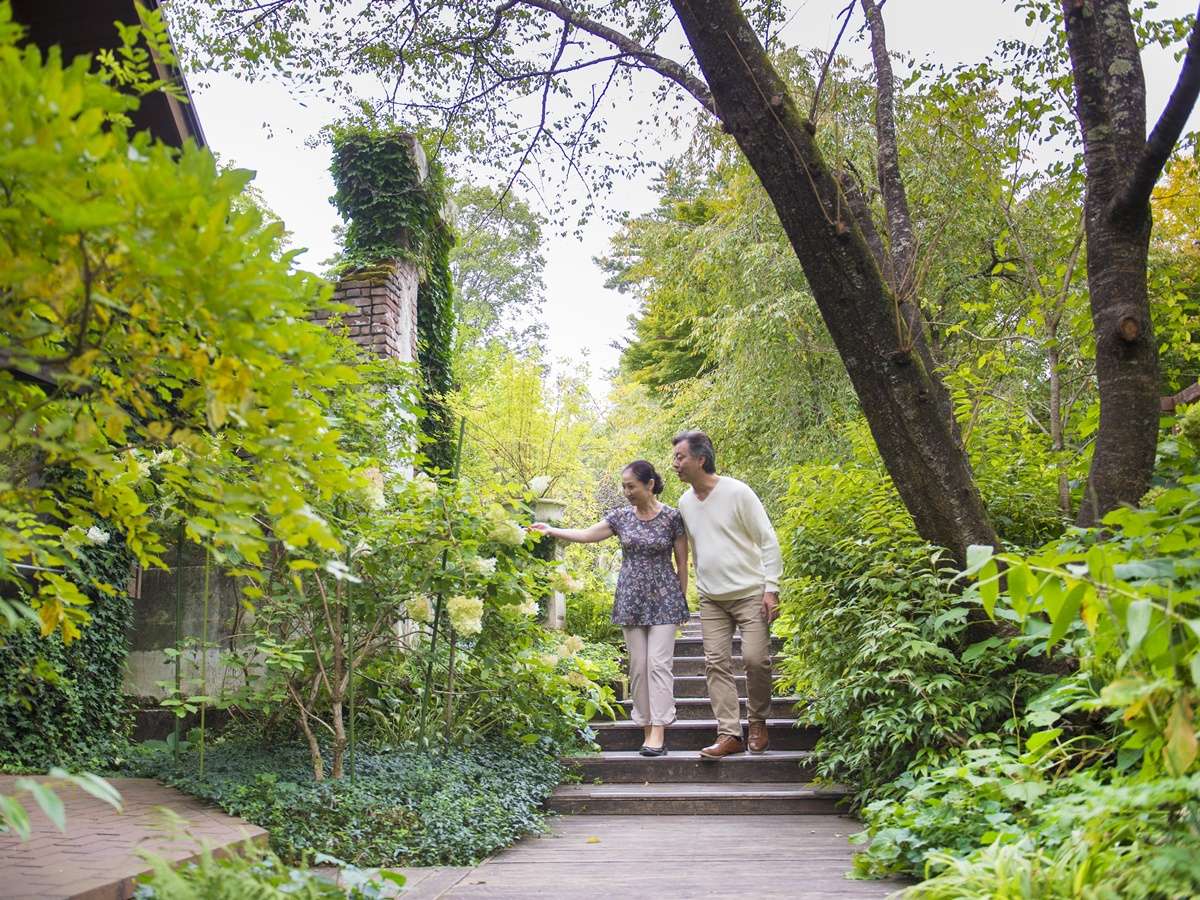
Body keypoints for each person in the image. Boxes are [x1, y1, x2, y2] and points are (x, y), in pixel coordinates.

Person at [530, 461, 689, 756]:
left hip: (665, 600)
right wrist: (552, 530)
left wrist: (682, 601)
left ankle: (659, 729)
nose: (626, 491)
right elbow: (588, 534)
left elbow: (682, 563)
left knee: (658, 664)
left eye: (631, 486)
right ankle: (644, 725)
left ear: (649, 484)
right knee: (639, 667)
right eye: (624, 486)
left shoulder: (672, 518)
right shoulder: (620, 518)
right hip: (631, 600)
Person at [671, 430, 782, 760]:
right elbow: (690, 548)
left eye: (680, 457)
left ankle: (758, 722)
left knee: (755, 659)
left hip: (750, 592)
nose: (675, 464)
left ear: (700, 459)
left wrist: (771, 588)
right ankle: (729, 733)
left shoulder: (737, 492)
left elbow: (767, 540)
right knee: (715, 663)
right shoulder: (684, 503)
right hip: (711, 598)